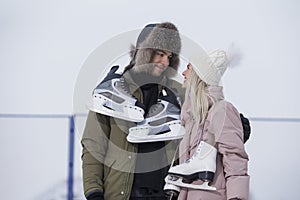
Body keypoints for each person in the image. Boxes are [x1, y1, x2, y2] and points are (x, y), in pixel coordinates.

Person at [81, 22, 185, 200]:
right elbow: (93, 146)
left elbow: (207, 125)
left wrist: (235, 124)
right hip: (120, 194)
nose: (165, 62)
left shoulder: (179, 94)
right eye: (160, 54)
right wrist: (93, 192)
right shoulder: (110, 92)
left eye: (169, 56)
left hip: (165, 194)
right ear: (143, 53)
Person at [165, 48, 250, 200]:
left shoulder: (221, 110)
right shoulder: (191, 118)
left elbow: (235, 161)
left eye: (189, 68)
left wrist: (237, 198)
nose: (183, 73)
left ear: (200, 75)